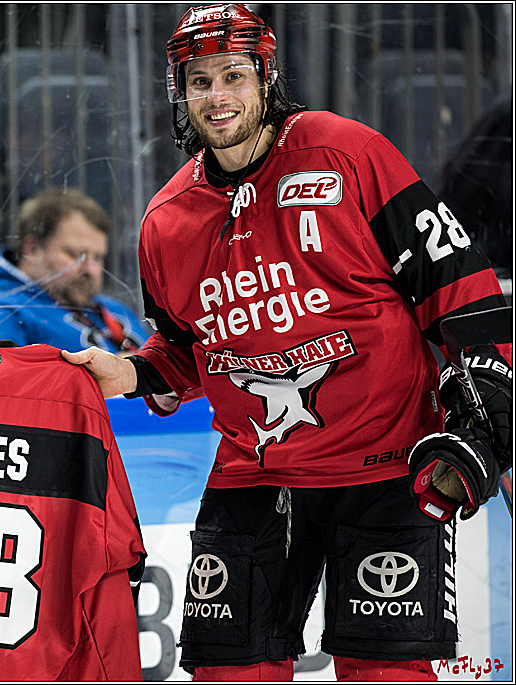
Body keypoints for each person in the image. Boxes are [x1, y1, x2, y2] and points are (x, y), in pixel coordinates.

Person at [63, 4, 512, 682]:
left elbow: (457, 282)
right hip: (255, 471)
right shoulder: (165, 223)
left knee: (383, 671)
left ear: (265, 79)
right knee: (229, 670)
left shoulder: (348, 152)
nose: (217, 97)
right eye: (200, 80)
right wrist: (126, 372)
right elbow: (188, 351)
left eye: (234, 77)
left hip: (383, 465)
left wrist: (491, 397)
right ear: (179, 92)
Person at [0, 187, 149, 353]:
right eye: (75, 254)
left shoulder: (117, 310)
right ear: (32, 249)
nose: (90, 270)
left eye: (98, 258)